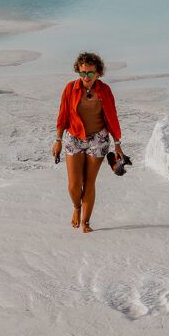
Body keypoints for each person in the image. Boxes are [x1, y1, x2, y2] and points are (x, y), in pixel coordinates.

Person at [52, 52, 125, 234]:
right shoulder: (70, 88)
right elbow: (62, 116)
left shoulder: (105, 90)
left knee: (89, 182)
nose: (86, 77)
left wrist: (117, 144)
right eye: (82, 73)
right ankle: (77, 207)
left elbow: (112, 117)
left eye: (90, 73)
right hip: (74, 137)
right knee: (74, 185)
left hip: (98, 139)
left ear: (98, 73)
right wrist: (58, 140)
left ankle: (86, 221)